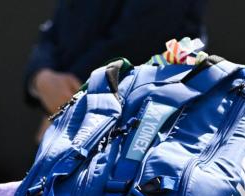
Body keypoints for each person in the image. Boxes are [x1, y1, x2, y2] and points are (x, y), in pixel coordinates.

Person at [23, 0, 208, 117]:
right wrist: (42, 77)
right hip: (67, 119)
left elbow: (140, 36)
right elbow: (54, 28)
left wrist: (72, 98)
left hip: (137, 125)